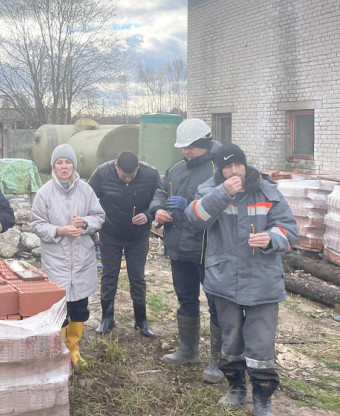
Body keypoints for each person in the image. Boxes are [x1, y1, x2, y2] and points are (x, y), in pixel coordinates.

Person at [186, 144, 296, 416]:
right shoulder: (210, 191)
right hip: (225, 279)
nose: (234, 171)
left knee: (261, 345)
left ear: (245, 165)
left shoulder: (267, 191)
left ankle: (262, 399)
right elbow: (194, 218)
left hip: (263, 280)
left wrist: (272, 237)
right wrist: (223, 193)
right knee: (231, 342)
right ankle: (236, 388)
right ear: (220, 170)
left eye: (238, 165)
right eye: (227, 167)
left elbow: (290, 231)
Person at [149, 118, 224, 383]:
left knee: (217, 304)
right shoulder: (177, 167)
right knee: (186, 299)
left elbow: (222, 203)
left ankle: (219, 360)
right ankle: (189, 350)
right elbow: (159, 190)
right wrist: (156, 210)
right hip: (179, 246)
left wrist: (190, 203)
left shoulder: (219, 168)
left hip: (208, 248)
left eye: (191, 147)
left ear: (204, 142)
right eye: (183, 147)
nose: (186, 151)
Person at [31, 144, 106, 368]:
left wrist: (85, 224)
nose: (64, 167)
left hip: (82, 259)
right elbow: (36, 223)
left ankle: (74, 348)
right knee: (59, 308)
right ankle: (59, 349)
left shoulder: (86, 190)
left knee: (80, 308)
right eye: (59, 162)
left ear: (74, 165)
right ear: (53, 166)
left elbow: (99, 216)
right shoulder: (44, 192)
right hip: (57, 261)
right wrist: (58, 230)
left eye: (68, 162)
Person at [89, 151, 159, 337]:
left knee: (137, 277)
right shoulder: (102, 174)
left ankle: (141, 320)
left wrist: (149, 215)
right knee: (110, 274)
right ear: (115, 167)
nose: (127, 179)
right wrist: (95, 222)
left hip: (138, 235)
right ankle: (107, 318)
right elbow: (88, 197)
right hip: (110, 232)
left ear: (138, 167)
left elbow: (159, 199)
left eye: (131, 175)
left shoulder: (151, 175)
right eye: (123, 175)